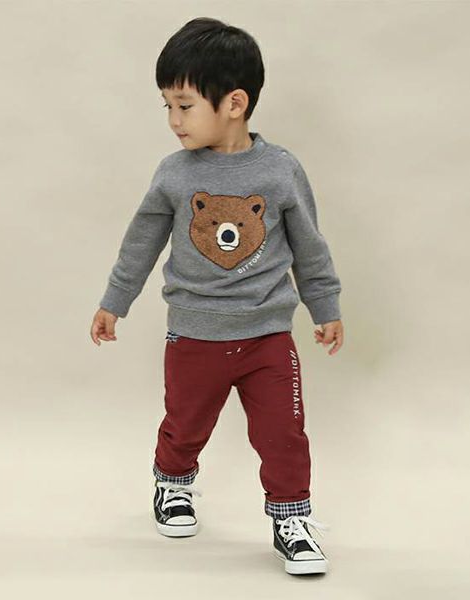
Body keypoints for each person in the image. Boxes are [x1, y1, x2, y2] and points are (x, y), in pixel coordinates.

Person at [90, 17, 344, 576]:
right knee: (185, 425)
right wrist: (115, 301)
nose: (173, 120)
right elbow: (140, 243)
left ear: (234, 103)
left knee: (283, 435)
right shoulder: (174, 175)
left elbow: (310, 246)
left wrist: (324, 306)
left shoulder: (280, 171)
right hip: (194, 335)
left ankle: (292, 520)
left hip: (267, 337)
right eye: (167, 106)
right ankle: (173, 485)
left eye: (184, 105)